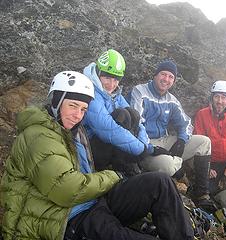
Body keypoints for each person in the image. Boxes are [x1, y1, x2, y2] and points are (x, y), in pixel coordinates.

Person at [0, 71, 194, 240]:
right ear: (56, 101)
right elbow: (67, 190)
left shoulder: (72, 131)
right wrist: (115, 176)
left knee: (159, 182)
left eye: (83, 109)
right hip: (65, 218)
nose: (78, 115)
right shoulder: (39, 136)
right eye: (73, 106)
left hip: (92, 201)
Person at [127, 59, 212, 207]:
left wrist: (181, 141)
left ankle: (201, 193)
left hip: (165, 141)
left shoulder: (171, 100)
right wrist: (150, 147)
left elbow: (185, 123)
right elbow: (136, 125)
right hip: (144, 145)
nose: (166, 79)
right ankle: (180, 174)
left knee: (204, 142)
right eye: (163, 74)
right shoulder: (139, 91)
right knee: (168, 166)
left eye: (171, 77)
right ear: (155, 75)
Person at [82, 49, 154, 176]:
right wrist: (139, 149)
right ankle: (121, 166)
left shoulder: (115, 94)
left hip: (110, 146)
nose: (111, 84)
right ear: (98, 73)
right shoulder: (90, 92)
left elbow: (138, 122)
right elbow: (107, 128)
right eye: (107, 78)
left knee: (132, 113)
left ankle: (126, 164)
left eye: (116, 80)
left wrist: (145, 145)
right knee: (123, 114)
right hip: (92, 148)